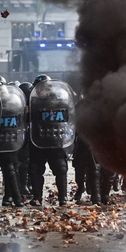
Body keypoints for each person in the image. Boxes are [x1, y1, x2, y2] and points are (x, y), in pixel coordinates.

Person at [28, 75, 72, 206]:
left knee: (61, 168)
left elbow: (68, 119)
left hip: (55, 141)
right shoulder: (31, 103)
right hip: (38, 141)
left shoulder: (60, 101)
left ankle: (63, 198)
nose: (43, 92)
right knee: (35, 169)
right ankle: (37, 197)